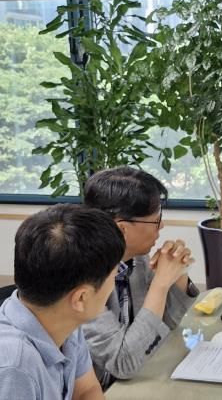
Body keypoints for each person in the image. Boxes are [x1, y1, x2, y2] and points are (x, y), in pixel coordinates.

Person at [82, 167, 199, 389]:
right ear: (122, 228)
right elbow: (123, 364)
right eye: (156, 220)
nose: (161, 226)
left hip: (135, 382)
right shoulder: (81, 278)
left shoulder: (137, 259)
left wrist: (178, 271)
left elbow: (163, 327)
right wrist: (160, 284)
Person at [0, 204, 126, 400]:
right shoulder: (15, 367)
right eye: (114, 275)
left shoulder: (64, 321)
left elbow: (86, 391)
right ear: (81, 298)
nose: (114, 283)